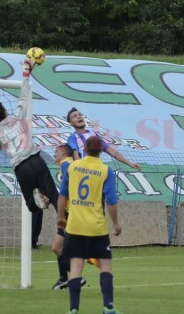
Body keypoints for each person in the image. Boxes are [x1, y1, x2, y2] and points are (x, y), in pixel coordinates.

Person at [57, 136, 123, 314]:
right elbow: (111, 201)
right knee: (105, 266)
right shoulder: (105, 170)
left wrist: (60, 216)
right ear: (101, 150)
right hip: (97, 227)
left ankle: (73, 309)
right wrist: (116, 223)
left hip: (75, 226)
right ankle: (108, 306)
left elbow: (63, 195)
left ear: (84, 149)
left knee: (76, 267)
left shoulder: (73, 167)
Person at [0, 58, 58, 213]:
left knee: (30, 205)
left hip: (21, 167)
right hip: (35, 159)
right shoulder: (18, 116)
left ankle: (39, 199)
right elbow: (24, 95)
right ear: (5, 111)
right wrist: (26, 73)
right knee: (53, 192)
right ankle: (65, 219)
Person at [51, 144, 92, 290]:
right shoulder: (69, 164)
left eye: (56, 151)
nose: (54, 153)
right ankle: (64, 279)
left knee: (60, 247)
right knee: (57, 247)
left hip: (71, 213)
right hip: (72, 211)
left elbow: (70, 187)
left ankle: (75, 278)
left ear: (62, 153)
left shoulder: (66, 164)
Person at [65, 107, 140, 171]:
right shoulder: (72, 138)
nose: (79, 117)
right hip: (83, 172)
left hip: (97, 171)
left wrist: (130, 163)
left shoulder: (93, 134)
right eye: (75, 116)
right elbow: (76, 156)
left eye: (80, 115)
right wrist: (82, 171)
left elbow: (113, 152)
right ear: (71, 123)